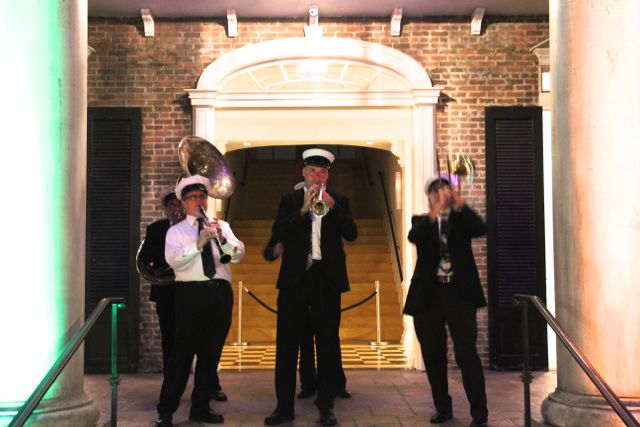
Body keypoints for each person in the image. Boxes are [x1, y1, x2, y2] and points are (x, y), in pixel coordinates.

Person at [264, 148, 357, 427]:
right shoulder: (289, 200)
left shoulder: (338, 200)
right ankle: (284, 408)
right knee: (286, 347)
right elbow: (279, 231)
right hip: (295, 281)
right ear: (303, 172)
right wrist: (303, 210)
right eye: (313, 171)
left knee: (327, 346)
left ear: (328, 175)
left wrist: (333, 206)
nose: (318, 176)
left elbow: (351, 233)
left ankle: (326, 406)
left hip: (326, 282)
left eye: (323, 172)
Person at [155, 175, 245, 427]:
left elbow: (238, 255)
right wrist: (198, 244)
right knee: (181, 354)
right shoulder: (175, 231)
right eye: (193, 197)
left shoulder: (222, 226)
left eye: (202, 196)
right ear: (184, 203)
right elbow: (174, 261)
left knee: (210, 355)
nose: (199, 201)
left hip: (220, 293)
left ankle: (201, 408)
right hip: (190, 293)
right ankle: (166, 410)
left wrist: (222, 239)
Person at [403, 173, 489, 427]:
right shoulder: (422, 220)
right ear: (429, 197)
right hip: (429, 296)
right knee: (433, 354)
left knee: (466, 353)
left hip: (459, 295)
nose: (441, 195)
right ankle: (443, 407)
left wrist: (460, 204)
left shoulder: (461, 220)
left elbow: (480, 228)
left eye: (444, 190)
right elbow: (415, 236)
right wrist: (436, 211)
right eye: (435, 192)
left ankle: (479, 413)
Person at [263, 227, 351, 401]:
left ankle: (336, 383)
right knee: (304, 338)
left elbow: (343, 242)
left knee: (330, 339)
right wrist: (276, 250)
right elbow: (269, 250)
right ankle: (308, 383)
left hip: (325, 286)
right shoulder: (291, 221)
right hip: (298, 288)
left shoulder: (328, 221)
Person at [138, 187, 184, 376]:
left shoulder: (193, 228)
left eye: (179, 205)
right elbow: (145, 258)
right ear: (166, 208)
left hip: (188, 289)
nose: (176, 209)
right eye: (172, 205)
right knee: (168, 336)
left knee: (192, 337)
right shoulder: (156, 229)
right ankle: (170, 378)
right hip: (165, 291)